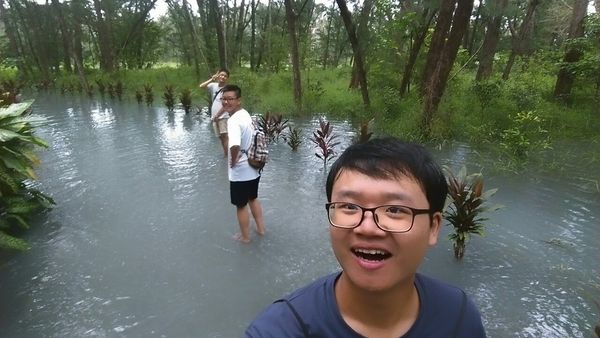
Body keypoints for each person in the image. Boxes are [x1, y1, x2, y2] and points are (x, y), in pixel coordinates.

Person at [244, 137, 486, 337]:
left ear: (433, 227)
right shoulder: (282, 329)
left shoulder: (458, 316)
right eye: (349, 206)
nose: (368, 228)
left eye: (395, 209)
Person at [221, 84, 266, 243]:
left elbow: (234, 145)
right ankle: (261, 230)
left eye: (230, 99)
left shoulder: (233, 121)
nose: (226, 102)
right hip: (254, 166)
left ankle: (245, 238)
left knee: (240, 206)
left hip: (241, 172)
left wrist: (233, 161)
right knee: (253, 198)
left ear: (238, 100)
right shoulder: (245, 114)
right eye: (224, 99)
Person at [199, 68, 230, 157]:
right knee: (220, 138)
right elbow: (201, 86)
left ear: (227, 78)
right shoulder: (213, 85)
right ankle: (226, 155)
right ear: (218, 75)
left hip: (223, 117)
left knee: (225, 137)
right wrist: (212, 79)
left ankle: (227, 156)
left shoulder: (227, 89)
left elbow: (226, 105)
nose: (223, 77)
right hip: (214, 117)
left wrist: (217, 115)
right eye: (221, 75)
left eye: (225, 76)